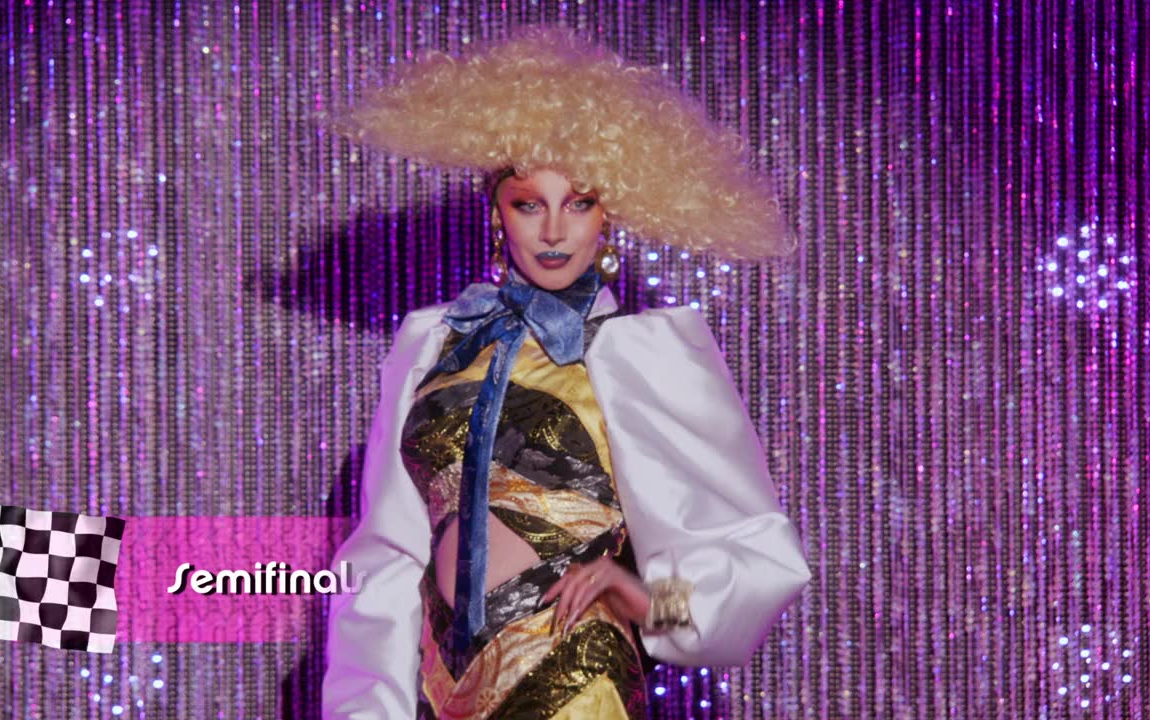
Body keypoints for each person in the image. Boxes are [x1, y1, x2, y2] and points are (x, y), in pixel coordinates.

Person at [321, 26, 813, 720]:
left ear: (608, 215)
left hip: (575, 674)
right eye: (529, 203)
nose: (554, 230)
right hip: (439, 688)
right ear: (498, 213)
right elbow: (386, 555)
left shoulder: (645, 351)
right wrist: (368, 705)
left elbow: (756, 562)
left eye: (578, 202)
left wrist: (645, 597)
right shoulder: (432, 344)